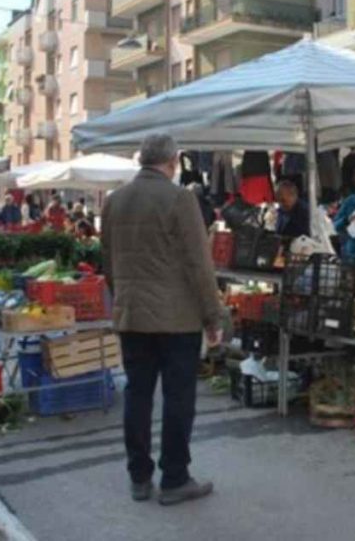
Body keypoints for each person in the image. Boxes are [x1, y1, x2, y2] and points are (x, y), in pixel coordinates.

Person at [102, 134, 222, 506]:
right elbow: (198, 264)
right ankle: (174, 477)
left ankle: (139, 477)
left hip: (132, 314)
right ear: (172, 162)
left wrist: (123, 297)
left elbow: (108, 261)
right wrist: (213, 316)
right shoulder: (179, 198)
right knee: (178, 397)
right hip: (177, 318)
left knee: (137, 396)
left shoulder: (114, 201)